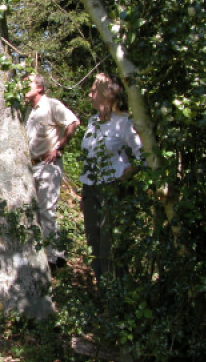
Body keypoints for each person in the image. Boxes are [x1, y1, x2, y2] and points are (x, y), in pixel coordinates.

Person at [80, 73, 143, 280]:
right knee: (94, 243)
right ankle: (103, 291)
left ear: (107, 94)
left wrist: (125, 176)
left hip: (112, 190)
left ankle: (117, 293)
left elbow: (143, 155)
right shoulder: (92, 121)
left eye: (94, 90)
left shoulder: (124, 123)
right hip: (90, 188)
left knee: (110, 246)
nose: (90, 95)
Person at [24, 73, 80, 270]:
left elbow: (73, 122)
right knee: (39, 211)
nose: (23, 86)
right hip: (32, 166)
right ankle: (57, 253)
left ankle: (53, 259)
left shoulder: (51, 105)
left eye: (27, 83)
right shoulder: (27, 111)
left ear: (39, 87)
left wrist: (59, 147)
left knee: (46, 210)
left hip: (49, 165)